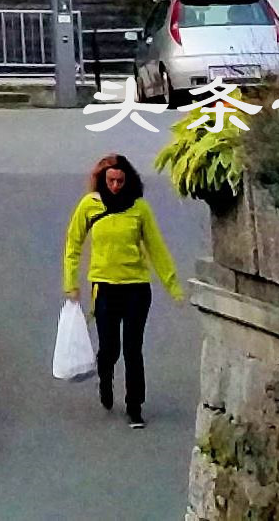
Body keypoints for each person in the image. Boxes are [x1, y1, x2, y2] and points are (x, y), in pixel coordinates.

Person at [61, 150, 182, 427]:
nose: (115, 186)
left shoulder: (139, 208)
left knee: (132, 349)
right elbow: (74, 243)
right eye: (111, 181)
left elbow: (156, 248)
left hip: (136, 287)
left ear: (129, 180)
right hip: (104, 287)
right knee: (109, 349)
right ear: (102, 181)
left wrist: (172, 285)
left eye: (120, 181)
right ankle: (105, 381)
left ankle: (134, 406)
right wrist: (71, 283)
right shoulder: (89, 205)